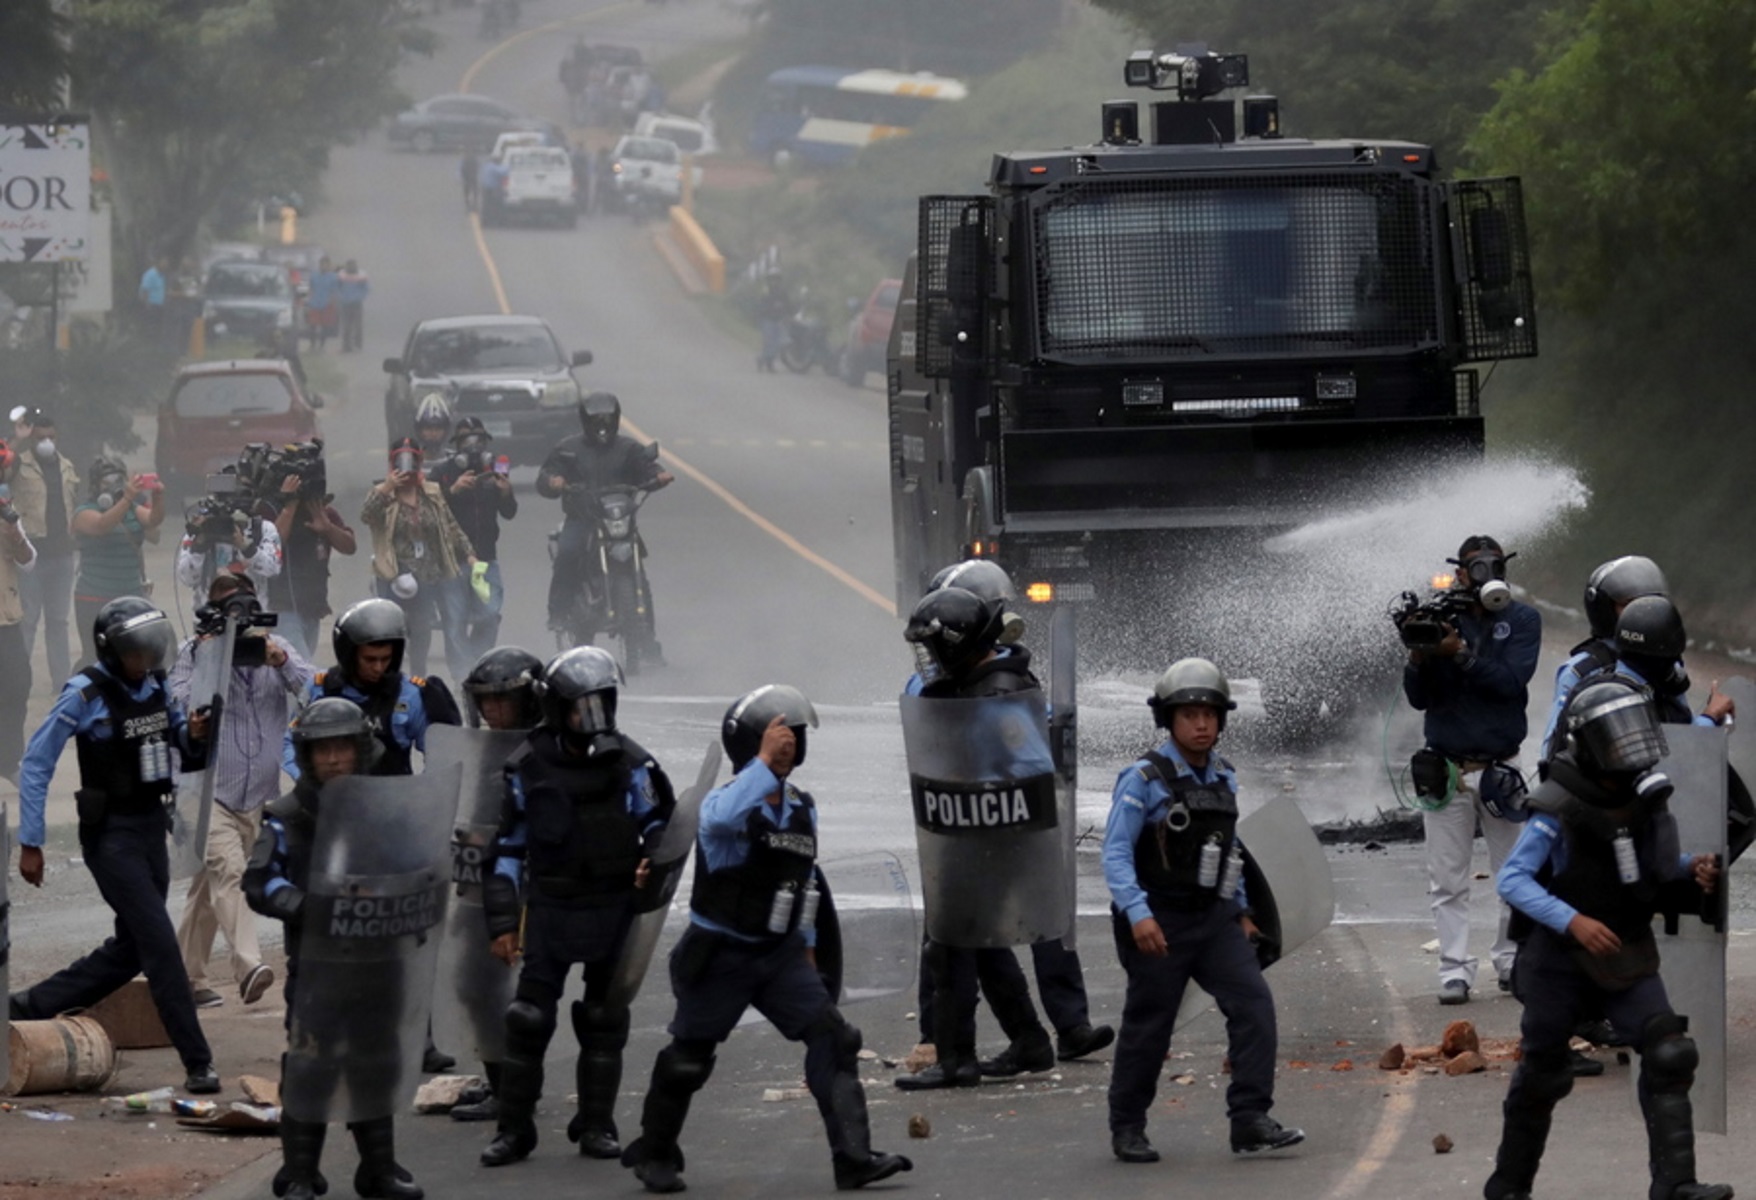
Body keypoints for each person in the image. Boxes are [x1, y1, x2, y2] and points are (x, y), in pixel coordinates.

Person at [620, 686, 912, 1194]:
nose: (791, 746)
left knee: (834, 1038)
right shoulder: (727, 801)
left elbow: (802, 880)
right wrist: (761, 766)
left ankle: (854, 1159)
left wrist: (808, 950)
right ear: (754, 745)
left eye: (796, 737)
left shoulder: (801, 807)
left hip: (779, 956)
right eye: (782, 738)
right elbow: (717, 820)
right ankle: (656, 1151)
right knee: (688, 1058)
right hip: (720, 956)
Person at [1484, 677, 1732, 1200]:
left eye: (1633, 732)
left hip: (1625, 948)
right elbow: (1513, 880)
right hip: (1559, 958)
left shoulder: (1642, 797)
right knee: (1543, 1074)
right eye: (1616, 737)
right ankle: (1508, 1187)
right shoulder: (1558, 805)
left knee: (1669, 1053)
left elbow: (1641, 869)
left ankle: (1675, 1186)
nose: (1630, 746)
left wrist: (1693, 870)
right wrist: (1570, 919)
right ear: (1591, 744)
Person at [893, 585, 1101, 1091]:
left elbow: (1033, 770)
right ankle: (1029, 1041)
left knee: (949, 945)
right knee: (982, 948)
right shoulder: (970, 685)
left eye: (937, 645)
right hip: (973, 837)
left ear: (961, 642)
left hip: (997, 839)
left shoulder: (1002, 694)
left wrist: (985, 795)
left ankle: (956, 1059)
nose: (931, 658)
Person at [8, 597, 219, 1094]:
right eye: (135, 653)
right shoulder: (85, 693)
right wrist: (31, 842)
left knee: (132, 950)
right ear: (111, 651)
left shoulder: (159, 686)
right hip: (111, 838)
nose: (144, 661)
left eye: (151, 650)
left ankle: (27, 1007)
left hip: (151, 830)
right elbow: (37, 763)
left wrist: (194, 734)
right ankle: (198, 1062)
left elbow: (183, 756)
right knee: (162, 947)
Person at [478, 647, 674, 1167]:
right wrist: (501, 921)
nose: (593, 719)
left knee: (605, 1018)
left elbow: (660, 828)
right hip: (551, 907)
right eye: (580, 708)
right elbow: (507, 851)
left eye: (601, 705)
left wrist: (651, 863)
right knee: (527, 1018)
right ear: (555, 708)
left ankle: (597, 1124)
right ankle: (514, 1130)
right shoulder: (526, 766)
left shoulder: (633, 763)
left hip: (614, 906)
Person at [1103, 657, 1304, 1164]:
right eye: (1189, 714)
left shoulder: (1225, 777)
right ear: (1168, 720)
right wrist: (1137, 913)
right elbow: (1116, 853)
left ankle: (1250, 1120)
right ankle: (1127, 1127)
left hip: (1213, 920)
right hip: (1158, 921)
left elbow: (1228, 848)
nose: (1201, 724)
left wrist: (1240, 910)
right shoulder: (1143, 779)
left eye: (1210, 714)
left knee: (1253, 1006)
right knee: (1150, 1026)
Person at [245, 697, 425, 1200]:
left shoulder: (383, 813)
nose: (333, 759)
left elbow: (415, 871)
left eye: (342, 748)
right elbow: (259, 882)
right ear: (307, 756)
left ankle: (379, 1170)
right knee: (310, 1062)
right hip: (317, 963)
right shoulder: (286, 816)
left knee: (375, 1060)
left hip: (377, 960)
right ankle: (300, 1173)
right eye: (322, 750)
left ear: (359, 750)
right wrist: (306, 907)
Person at [1402, 534, 1541, 1004]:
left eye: (1494, 565)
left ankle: (1512, 962)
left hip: (1502, 768)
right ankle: (1454, 970)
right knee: (1447, 880)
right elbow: (1418, 698)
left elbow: (1509, 683)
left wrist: (1460, 653)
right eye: (1475, 567)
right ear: (1459, 572)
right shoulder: (1441, 617)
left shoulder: (1522, 620)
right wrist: (1420, 655)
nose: (1485, 573)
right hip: (1446, 771)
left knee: (1515, 874)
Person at [171, 574, 312, 1008]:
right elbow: (175, 701)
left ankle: (182, 978)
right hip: (208, 790)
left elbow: (314, 690)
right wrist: (211, 658)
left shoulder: (277, 646)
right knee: (230, 873)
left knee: (209, 890)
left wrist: (279, 659)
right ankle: (249, 966)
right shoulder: (195, 652)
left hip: (258, 795)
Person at [448, 645, 546, 1125]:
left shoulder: (539, 753)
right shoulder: (485, 750)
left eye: (502, 701)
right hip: (476, 883)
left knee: (510, 992)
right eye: (484, 700)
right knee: (472, 985)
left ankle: (515, 1091)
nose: (490, 711)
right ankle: (499, 1080)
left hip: (519, 888)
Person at [537, 393, 671, 639]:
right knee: (567, 553)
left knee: (638, 572)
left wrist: (659, 475)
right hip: (582, 518)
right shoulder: (567, 449)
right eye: (597, 422)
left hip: (618, 520)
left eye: (607, 422)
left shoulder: (629, 448)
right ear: (585, 422)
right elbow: (546, 476)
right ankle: (558, 611)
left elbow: (646, 466)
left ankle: (648, 642)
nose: (602, 428)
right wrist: (553, 481)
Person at [284, 597, 460, 782]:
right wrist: (308, 782)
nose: (378, 668)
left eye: (385, 659)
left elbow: (441, 756)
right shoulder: (318, 688)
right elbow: (291, 741)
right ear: (349, 654)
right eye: (369, 659)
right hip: (329, 801)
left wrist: (423, 795)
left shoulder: (410, 694)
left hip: (392, 803)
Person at [360, 438, 477, 678]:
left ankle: (417, 683)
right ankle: (388, 681)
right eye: (401, 462)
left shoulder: (431, 493)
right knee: (390, 633)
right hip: (393, 574)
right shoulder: (384, 495)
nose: (407, 468)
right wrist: (387, 487)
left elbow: (450, 525)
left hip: (426, 576)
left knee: (421, 633)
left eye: (411, 462)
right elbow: (366, 514)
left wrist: (469, 553)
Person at [430, 417, 516, 680]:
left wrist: (505, 492)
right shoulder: (442, 472)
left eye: (478, 439)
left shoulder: (494, 472)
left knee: (489, 615)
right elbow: (428, 510)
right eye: (466, 440)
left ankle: (477, 664)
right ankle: (461, 676)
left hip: (485, 559)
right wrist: (452, 490)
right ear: (456, 444)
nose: (472, 446)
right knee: (454, 621)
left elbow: (509, 512)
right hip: (453, 561)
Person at [72, 456, 166, 668]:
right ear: (96, 484)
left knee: (135, 654)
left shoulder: (132, 508)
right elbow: (101, 525)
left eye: (118, 479)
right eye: (108, 479)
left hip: (130, 595)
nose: (114, 484)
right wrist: (126, 500)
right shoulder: (84, 511)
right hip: (94, 597)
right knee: (96, 656)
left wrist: (158, 496)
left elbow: (153, 520)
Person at [11, 407, 80, 689]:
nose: (46, 442)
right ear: (32, 439)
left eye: (50, 437)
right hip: (31, 555)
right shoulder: (19, 464)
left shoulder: (67, 467)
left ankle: (61, 682)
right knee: (27, 621)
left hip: (63, 554)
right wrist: (16, 440)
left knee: (58, 622)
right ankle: (19, 682)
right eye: (40, 438)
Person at [269, 453, 357, 660]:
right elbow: (272, 545)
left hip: (313, 607)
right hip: (283, 607)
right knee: (301, 671)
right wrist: (289, 504)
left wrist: (327, 528)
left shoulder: (323, 511)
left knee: (294, 672)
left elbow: (349, 547)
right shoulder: (274, 509)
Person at [174, 490, 282, 613]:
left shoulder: (262, 529)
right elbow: (187, 579)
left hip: (253, 614)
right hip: (210, 617)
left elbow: (273, 569)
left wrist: (245, 547)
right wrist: (199, 546)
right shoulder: (201, 530)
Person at [0, 441, 38, 778]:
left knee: (17, 684)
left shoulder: (6, 511)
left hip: (6, 618)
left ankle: (9, 759)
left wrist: (14, 532)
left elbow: (28, 562)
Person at [304, 256, 340, 351]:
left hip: (326, 304)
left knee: (325, 326)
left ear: (329, 265)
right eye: (322, 264)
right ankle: (312, 344)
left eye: (325, 265)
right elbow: (310, 289)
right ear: (319, 265)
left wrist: (333, 302)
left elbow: (335, 291)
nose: (323, 266)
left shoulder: (333, 277)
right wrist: (308, 300)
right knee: (312, 325)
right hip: (314, 303)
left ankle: (322, 345)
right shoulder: (314, 275)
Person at [756, 273, 789, 372]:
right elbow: (762, 305)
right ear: (769, 280)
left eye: (776, 279)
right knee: (769, 343)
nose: (774, 282)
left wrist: (787, 313)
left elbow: (788, 304)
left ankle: (763, 359)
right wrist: (773, 307)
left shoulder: (782, 292)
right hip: (767, 320)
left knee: (778, 343)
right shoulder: (766, 292)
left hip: (779, 320)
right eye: (772, 279)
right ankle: (769, 364)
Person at [336, 259, 369, 353]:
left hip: (357, 303)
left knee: (358, 325)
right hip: (345, 304)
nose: (351, 267)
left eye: (353, 265)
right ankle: (346, 346)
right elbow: (337, 287)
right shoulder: (341, 275)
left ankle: (357, 344)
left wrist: (360, 297)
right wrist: (340, 297)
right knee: (346, 326)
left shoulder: (361, 275)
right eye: (349, 265)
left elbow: (366, 288)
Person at [138, 256, 168, 341]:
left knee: (158, 326)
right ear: (158, 263)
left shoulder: (162, 275)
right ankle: (149, 343)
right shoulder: (150, 274)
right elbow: (145, 289)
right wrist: (146, 304)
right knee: (151, 326)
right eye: (163, 263)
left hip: (160, 305)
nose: (165, 266)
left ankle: (156, 344)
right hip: (151, 305)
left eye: (166, 264)